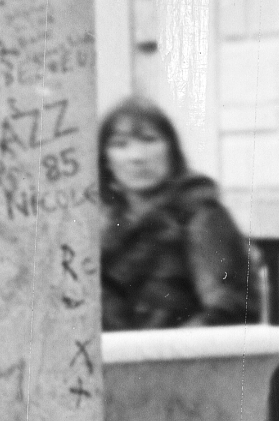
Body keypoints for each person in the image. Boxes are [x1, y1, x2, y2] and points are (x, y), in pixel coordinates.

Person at [98, 100, 257, 330]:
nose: (137, 157)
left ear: (171, 150)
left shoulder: (200, 215)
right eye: (120, 144)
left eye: (149, 140)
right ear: (106, 160)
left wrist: (163, 351)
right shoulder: (103, 225)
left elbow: (229, 307)